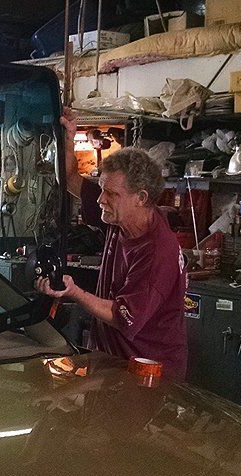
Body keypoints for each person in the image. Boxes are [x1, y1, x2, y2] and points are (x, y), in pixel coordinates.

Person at [37, 108, 188, 381]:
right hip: (113, 367)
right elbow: (70, 179)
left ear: (140, 198)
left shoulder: (156, 251)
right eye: (102, 189)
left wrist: (75, 292)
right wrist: (69, 136)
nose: (100, 200)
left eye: (111, 193)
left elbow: (122, 317)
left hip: (147, 374)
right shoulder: (118, 217)